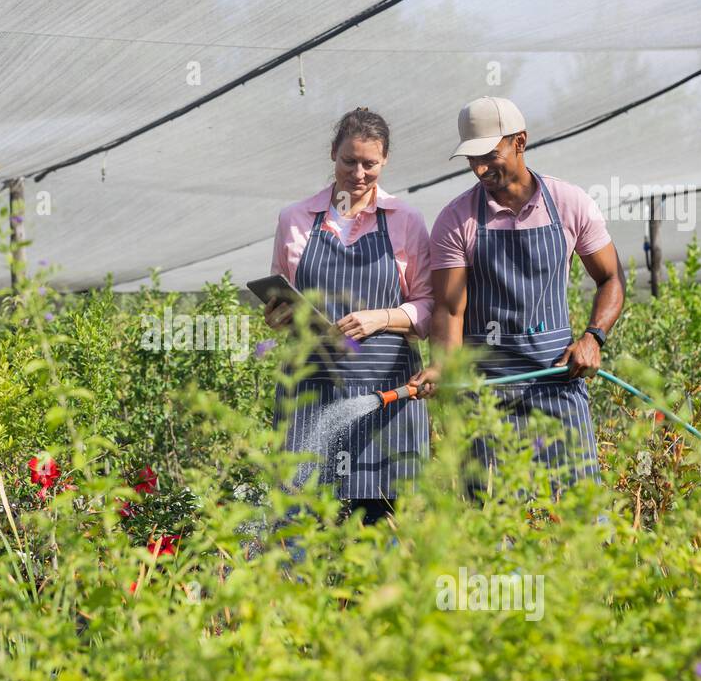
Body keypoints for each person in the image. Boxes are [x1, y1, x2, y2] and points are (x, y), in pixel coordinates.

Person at [409, 96, 624, 498]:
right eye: (471, 159)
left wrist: (593, 338)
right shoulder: (457, 220)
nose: (479, 168)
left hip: (558, 383)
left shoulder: (569, 203)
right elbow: (450, 310)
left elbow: (611, 278)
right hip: (485, 398)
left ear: (520, 141)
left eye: (489, 155)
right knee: (496, 523)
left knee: (577, 520)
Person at [265, 107, 434, 526]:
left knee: (383, 527)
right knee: (303, 526)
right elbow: (278, 294)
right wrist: (279, 316)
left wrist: (382, 318)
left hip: (385, 397)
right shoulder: (296, 219)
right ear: (332, 154)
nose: (358, 174)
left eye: (369, 164)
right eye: (349, 161)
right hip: (311, 389)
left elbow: (431, 308)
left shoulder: (406, 221)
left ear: (385, 161)